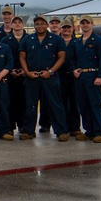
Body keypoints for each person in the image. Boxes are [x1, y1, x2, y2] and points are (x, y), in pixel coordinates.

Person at [18, 13, 70, 141]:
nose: (39, 26)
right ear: (34, 26)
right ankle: (29, 131)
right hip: (32, 77)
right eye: (37, 24)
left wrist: (51, 71)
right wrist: (27, 72)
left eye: (42, 23)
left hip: (50, 77)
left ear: (47, 25)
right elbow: (22, 57)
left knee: (55, 104)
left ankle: (61, 131)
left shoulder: (56, 39)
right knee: (30, 105)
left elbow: (62, 57)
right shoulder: (27, 39)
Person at [71, 15, 101, 142]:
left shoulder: (98, 40)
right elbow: (73, 58)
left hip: (93, 75)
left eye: (87, 23)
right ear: (80, 25)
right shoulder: (77, 41)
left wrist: (100, 76)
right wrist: (74, 69)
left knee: (95, 104)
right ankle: (89, 131)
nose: (85, 25)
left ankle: (100, 132)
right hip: (80, 76)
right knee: (83, 105)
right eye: (83, 23)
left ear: (92, 24)